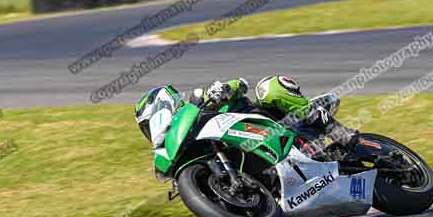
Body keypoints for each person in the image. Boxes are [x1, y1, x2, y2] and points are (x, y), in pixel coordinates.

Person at [135, 76, 357, 157]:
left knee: (269, 88)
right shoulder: (183, 146)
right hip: (258, 157)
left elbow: (240, 84)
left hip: (277, 124)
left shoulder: (199, 101)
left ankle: (339, 133)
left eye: (150, 124)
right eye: (147, 129)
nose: (151, 130)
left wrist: (223, 90)